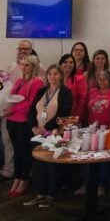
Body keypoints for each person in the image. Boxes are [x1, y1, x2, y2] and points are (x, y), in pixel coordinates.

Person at [23, 65, 73, 208]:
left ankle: (51, 195)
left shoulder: (65, 92)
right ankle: (40, 193)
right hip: (37, 134)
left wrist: (45, 128)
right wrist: (33, 127)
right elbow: (32, 111)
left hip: (53, 134)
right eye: (50, 74)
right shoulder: (42, 91)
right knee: (39, 165)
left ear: (60, 76)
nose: (53, 76)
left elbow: (63, 113)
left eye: (56, 74)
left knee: (52, 165)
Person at [5, 54, 43, 198]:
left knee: (24, 151)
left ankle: (24, 179)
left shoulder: (37, 81)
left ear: (34, 66)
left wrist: (12, 109)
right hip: (12, 120)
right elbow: (12, 97)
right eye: (22, 64)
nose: (23, 67)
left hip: (23, 121)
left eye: (27, 65)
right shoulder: (20, 80)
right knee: (16, 151)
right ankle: (17, 177)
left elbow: (31, 103)